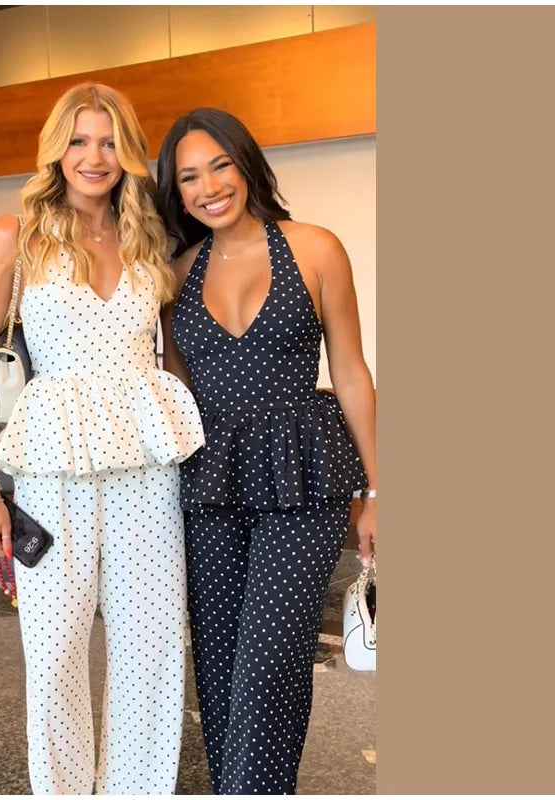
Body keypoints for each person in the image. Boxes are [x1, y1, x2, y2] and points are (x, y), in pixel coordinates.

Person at [0, 83, 205, 795]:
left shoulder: (150, 236)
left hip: (146, 473)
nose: (93, 157)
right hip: (52, 471)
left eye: (107, 141)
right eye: (78, 140)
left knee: (152, 649)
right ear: (56, 150)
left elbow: (173, 356)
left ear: (127, 151)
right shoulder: (18, 235)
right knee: (56, 652)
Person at [156, 107, 377, 795]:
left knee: (267, 665)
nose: (208, 186)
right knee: (219, 670)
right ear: (177, 191)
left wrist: (379, 490)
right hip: (210, 483)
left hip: (303, 473)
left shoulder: (314, 248)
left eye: (220, 164)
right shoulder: (177, 273)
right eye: (189, 176)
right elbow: (175, 394)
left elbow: (350, 372)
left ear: (246, 164)